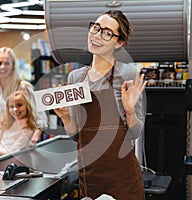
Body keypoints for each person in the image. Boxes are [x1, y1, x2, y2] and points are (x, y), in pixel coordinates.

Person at [54, 10, 147, 199]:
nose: (97, 35)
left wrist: (129, 112)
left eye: (107, 32)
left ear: (119, 42)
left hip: (122, 179)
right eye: (96, 28)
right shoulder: (75, 77)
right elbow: (76, 136)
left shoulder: (128, 74)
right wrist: (65, 118)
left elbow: (135, 133)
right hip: (90, 178)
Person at [0, 47, 47, 161]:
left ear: (13, 65)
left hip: (19, 143)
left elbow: (40, 116)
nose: (2, 67)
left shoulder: (23, 87)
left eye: (7, 63)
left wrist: (34, 139)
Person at [0, 90, 37, 157]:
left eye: (19, 105)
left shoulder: (28, 129)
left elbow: (9, 154)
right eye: (11, 106)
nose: (15, 109)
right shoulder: (6, 122)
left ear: (27, 106)